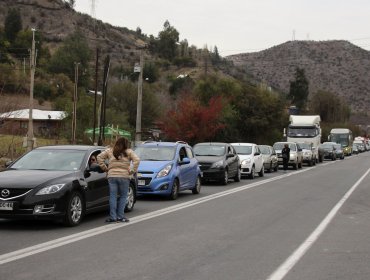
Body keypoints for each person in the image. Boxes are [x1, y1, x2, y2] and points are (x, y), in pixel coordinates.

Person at [97, 137, 140, 223]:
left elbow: (99, 157)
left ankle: (113, 217)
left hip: (112, 176)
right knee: (123, 197)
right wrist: (132, 171)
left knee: (113, 196)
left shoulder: (110, 150)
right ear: (125, 144)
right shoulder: (129, 151)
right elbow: (137, 160)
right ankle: (121, 216)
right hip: (124, 176)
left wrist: (105, 168)